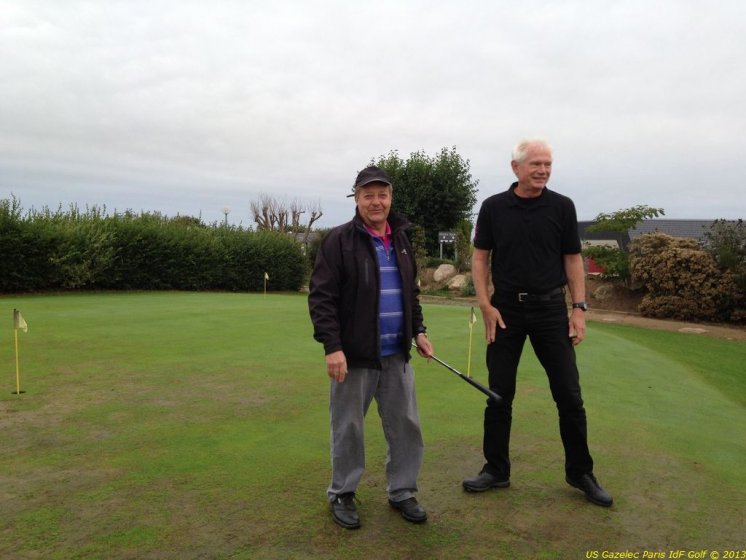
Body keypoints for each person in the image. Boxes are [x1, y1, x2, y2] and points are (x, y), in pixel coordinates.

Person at [462, 139, 613, 507]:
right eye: (536, 164)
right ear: (516, 167)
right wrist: (485, 304)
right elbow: (480, 258)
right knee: (499, 394)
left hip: (550, 311)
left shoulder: (562, 207)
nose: (543, 170)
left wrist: (579, 308)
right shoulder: (493, 207)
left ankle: (580, 472)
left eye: (547, 164)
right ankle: (496, 469)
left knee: (569, 396)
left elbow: (573, 259)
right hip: (505, 311)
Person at [308, 165, 435, 529]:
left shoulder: (401, 239)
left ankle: (403, 491)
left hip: (396, 354)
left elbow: (410, 293)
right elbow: (322, 298)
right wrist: (332, 347)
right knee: (348, 427)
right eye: (368, 195)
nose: (376, 202)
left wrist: (419, 331)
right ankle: (343, 493)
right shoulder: (339, 241)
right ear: (357, 199)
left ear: (390, 198)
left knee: (406, 425)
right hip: (354, 356)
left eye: (382, 194)